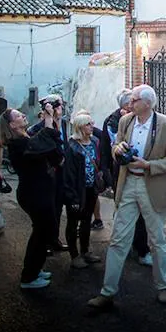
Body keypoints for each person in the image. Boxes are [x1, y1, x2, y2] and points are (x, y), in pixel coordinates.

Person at [87, 85, 166, 308]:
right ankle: (107, 292)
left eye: (135, 100)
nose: (130, 103)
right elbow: (115, 145)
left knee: (157, 240)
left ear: (147, 103)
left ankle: (162, 286)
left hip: (152, 184)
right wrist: (117, 149)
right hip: (128, 183)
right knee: (118, 239)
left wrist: (147, 164)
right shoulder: (125, 121)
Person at [0, 105, 62, 289]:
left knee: (44, 231)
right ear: (12, 125)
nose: (24, 115)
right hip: (34, 194)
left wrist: (50, 120)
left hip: (40, 191)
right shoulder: (17, 144)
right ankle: (28, 277)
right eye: (19, 115)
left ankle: (35, 269)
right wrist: (49, 119)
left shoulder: (25, 138)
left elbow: (46, 143)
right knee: (41, 233)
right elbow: (42, 143)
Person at [63, 111, 104, 269]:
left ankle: (86, 251)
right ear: (80, 127)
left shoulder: (94, 141)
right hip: (76, 190)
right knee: (73, 222)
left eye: (91, 123)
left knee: (86, 221)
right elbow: (69, 173)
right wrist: (71, 196)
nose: (91, 126)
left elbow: (98, 162)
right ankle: (74, 255)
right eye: (88, 124)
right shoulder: (72, 146)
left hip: (90, 188)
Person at [28, 94, 68, 251]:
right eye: (58, 106)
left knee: (57, 207)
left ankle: (54, 239)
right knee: (46, 209)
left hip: (61, 173)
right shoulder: (36, 129)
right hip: (47, 174)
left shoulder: (63, 124)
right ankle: (43, 243)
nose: (61, 109)